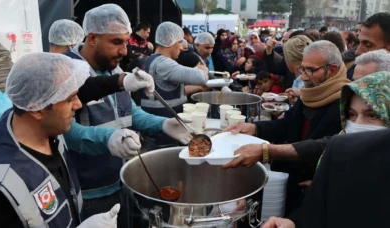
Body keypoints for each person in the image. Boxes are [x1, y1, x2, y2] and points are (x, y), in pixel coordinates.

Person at [63, 4, 195, 226]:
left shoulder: (113, 68)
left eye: (126, 42)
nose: (125, 51)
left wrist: (163, 124)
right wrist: (109, 139)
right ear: (93, 37)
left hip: (121, 177)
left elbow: (129, 111)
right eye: (116, 42)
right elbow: (66, 132)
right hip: (90, 190)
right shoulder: (67, 70)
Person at [0, 53, 121, 227]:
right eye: (70, 98)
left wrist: (122, 81)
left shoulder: (43, 126)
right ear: (37, 109)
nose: (79, 104)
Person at [224, 40, 350, 215]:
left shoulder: (346, 102)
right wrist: (254, 128)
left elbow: (328, 145)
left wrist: (266, 151)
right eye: (302, 69)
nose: (303, 77)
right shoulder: (311, 92)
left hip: (314, 188)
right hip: (290, 177)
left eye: (310, 70)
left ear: (333, 70)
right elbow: (288, 124)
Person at [262, 71, 390, 228]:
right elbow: (318, 209)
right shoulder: (339, 155)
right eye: (351, 114)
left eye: (372, 115)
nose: (357, 123)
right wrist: (293, 222)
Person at [140, 21, 208, 117]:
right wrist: (203, 70)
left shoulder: (152, 60)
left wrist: (198, 88)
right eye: (179, 42)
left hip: (161, 119)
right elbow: (201, 78)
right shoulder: (164, 64)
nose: (181, 47)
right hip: (165, 122)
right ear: (169, 40)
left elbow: (172, 90)